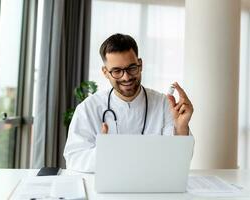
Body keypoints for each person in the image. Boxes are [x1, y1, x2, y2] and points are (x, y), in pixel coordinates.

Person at [63, 33, 194, 172]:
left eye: (132, 68)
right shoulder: (88, 108)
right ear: (105, 72)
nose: (126, 77)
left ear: (140, 64)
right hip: (108, 188)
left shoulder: (164, 104)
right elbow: (74, 159)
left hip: (152, 187)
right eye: (117, 71)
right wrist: (104, 151)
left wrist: (181, 128)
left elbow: (178, 161)